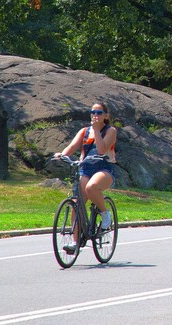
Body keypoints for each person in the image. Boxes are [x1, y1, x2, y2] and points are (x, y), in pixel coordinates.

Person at [54, 102, 117, 251]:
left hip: (104, 168)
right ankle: (76, 244)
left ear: (106, 116)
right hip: (85, 168)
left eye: (99, 112)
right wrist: (62, 155)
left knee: (92, 187)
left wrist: (96, 130)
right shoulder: (84, 131)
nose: (95, 115)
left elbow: (101, 150)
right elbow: (71, 147)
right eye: (93, 112)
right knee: (77, 203)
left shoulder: (110, 131)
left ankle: (105, 214)